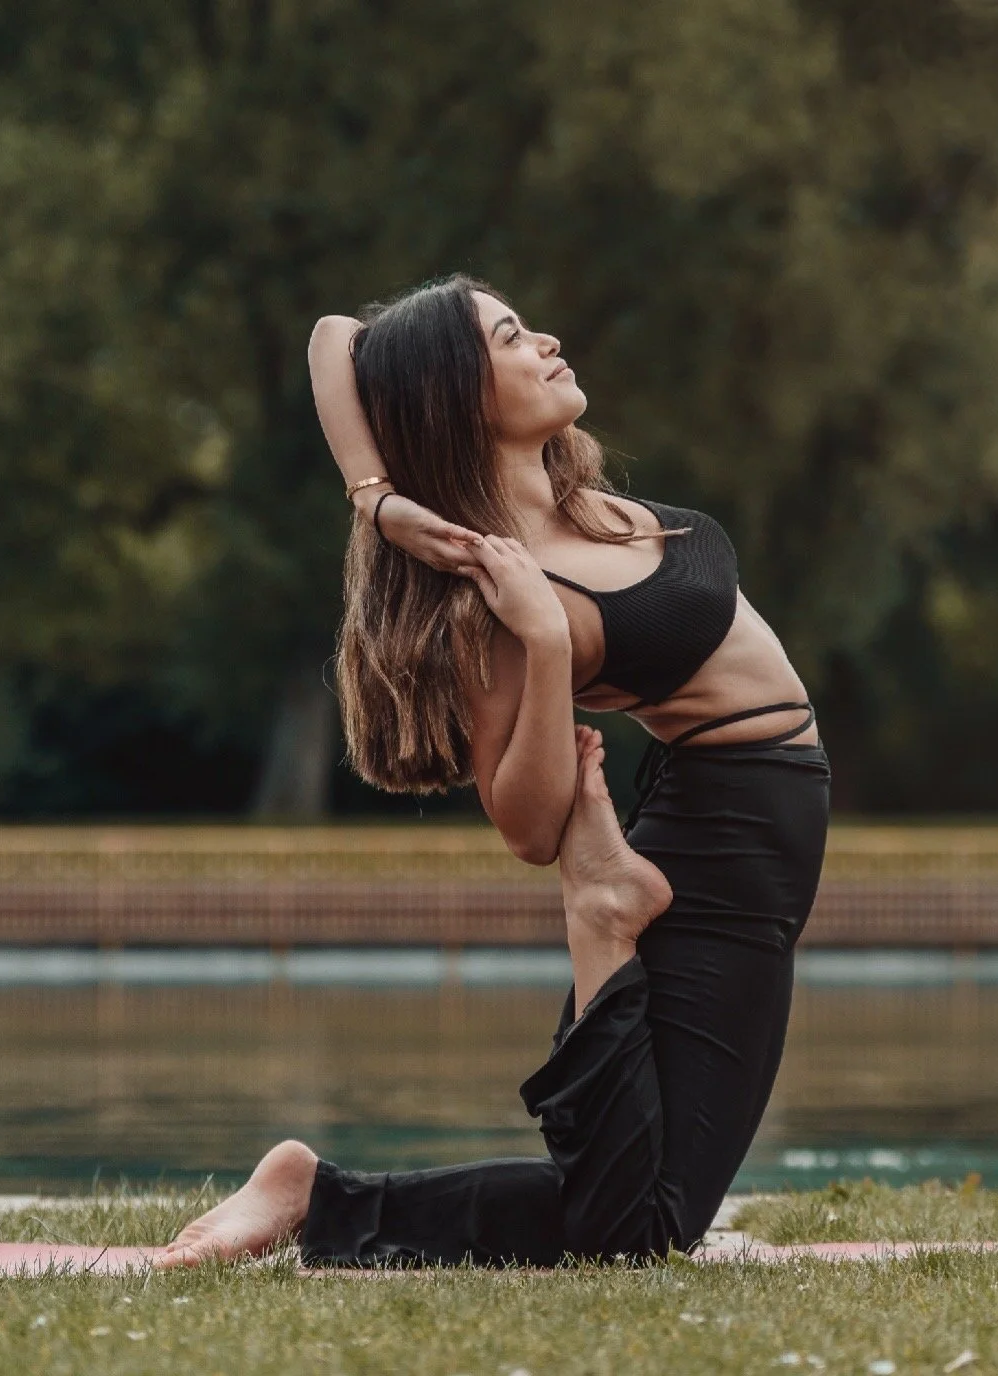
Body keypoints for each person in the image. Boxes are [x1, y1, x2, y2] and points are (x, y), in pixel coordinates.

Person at [157, 274, 830, 1269]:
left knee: (615, 1195)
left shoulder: (566, 506)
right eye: (513, 336)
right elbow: (522, 825)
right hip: (725, 840)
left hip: (748, 832)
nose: (549, 339)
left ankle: (310, 1190)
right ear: (459, 397)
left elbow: (335, 333)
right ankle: (313, 1191)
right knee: (642, 1227)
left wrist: (376, 501)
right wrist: (549, 643)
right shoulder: (500, 587)